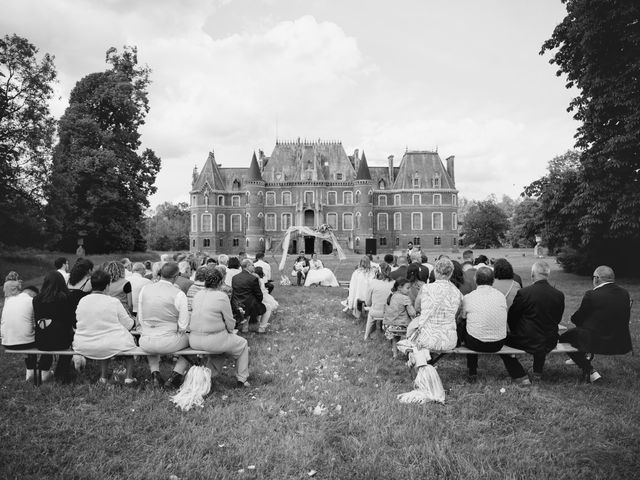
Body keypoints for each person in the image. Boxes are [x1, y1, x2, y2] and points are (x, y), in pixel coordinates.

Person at [560, 265, 632, 383]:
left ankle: (589, 369)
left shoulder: (592, 295)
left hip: (598, 341)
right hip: (620, 341)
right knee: (583, 331)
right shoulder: (624, 293)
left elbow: (578, 319)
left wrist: (573, 318)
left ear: (597, 278)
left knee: (564, 338)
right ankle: (581, 358)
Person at [502, 261, 565, 384]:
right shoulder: (559, 295)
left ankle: (519, 374)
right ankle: (537, 372)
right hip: (549, 340)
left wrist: (517, 331)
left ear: (532, 275)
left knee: (499, 340)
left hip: (526, 340)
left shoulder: (524, 293)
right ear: (548, 275)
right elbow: (557, 319)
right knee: (539, 333)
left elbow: (512, 316)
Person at [73, 269, 138, 385]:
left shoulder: (82, 301)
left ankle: (103, 377)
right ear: (108, 285)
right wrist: (134, 321)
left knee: (105, 340)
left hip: (83, 343)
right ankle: (128, 378)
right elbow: (128, 325)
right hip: (109, 343)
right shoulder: (113, 302)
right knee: (130, 344)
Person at [189, 268, 250, 387]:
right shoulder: (221, 296)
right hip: (213, 339)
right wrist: (230, 331)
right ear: (221, 282)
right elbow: (230, 321)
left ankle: (208, 377)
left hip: (194, 339)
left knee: (221, 349)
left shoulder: (198, 294)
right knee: (242, 344)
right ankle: (242, 379)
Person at [137, 262, 191, 390]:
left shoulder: (145, 289)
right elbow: (183, 325)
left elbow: (140, 316)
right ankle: (175, 376)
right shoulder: (178, 293)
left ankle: (155, 374)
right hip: (168, 341)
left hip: (145, 341)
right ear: (176, 276)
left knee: (152, 338)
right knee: (195, 342)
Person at [458, 267, 508, 381]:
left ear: (475, 280)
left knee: (468, 324)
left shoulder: (468, 297)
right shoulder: (501, 296)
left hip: (475, 342)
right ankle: (472, 371)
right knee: (473, 324)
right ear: (493, 280)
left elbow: (463, 317)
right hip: (498, 343)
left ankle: (472, 370)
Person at [405, 258, 463, 352]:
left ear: (435, 271)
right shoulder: (457, 292)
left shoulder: (426, 288)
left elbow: (417, 308)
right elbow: (458, 313)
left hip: (426, 339)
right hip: (449, 341)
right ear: (451, 273)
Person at [32, 271, 75, 382]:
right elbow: (70, 320)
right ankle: (60, 373)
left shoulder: (36, 299)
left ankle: (44, 370)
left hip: (41, 341)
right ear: (61, 283)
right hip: (62, 341)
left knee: (49, 335)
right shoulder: (65, 298)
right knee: (67, 343)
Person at [1, 286, 45, 381]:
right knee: (45, 339)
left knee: (27, 333)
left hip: (7, 343)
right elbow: (38, 322)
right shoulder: (31, 300)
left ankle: (30, 372)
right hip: (25, 343)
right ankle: (44, 371)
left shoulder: (9, 300)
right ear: (33, 294)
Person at [232, 259, 270, 333]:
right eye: (253, 265)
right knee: (268, 307)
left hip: (237, 304)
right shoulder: (253, 278)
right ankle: (262, 328)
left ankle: (245, 327)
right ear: (248, 266)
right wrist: (258, 302)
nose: (254, 267)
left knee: (249, 303)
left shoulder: (235, 277)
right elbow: (259, 295)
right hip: (249, 306)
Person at [383, 279, 417, 358]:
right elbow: (412, 313)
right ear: (399, 288)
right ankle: (410, 354)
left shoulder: (391, 296)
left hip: (388, 325)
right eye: (407, 288)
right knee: (414, 332)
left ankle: (395, 354)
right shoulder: (405, 298)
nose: (409, 290)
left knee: (395, 336)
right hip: (400, 326)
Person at [364, 263, 394, 340]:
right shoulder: (394, 283)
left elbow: (368, 302)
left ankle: (367, 336)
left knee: (370, 316)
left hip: (375, 311)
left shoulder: (373, 283)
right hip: (390, 313)